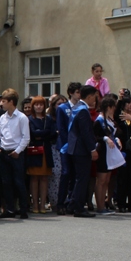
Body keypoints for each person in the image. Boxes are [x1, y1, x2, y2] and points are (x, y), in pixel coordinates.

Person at [0, 88, 31, 219]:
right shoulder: (2, 117)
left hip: (16, 153)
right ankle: (9, 209)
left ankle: (23, 208)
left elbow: (25, 137)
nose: (1, 104)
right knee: (6, 182)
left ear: (11, 102)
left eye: (4, 101)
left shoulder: (21, 118)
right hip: (4, 152)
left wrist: (18, 151)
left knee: (19, 182)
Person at [66, 85, 99, 218]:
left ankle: (72, 205)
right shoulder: (83, 111)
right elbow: (85, 133)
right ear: (90, 96)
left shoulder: (76, 108)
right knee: (82, 179)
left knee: (77, 178)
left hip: (74, 148)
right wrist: (93, 149)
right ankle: (79, 208)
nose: (95, 100)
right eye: (94, 97)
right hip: (81, 150)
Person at [54, 82, 82, 214]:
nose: (79, 95)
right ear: (71, 93)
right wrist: (69, 143)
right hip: (66, 146)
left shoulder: (82, 107)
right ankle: (60, 202)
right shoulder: (62, 108)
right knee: (65, 173)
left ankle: (71, 201)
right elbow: (61, 128)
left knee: (75, 174)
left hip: (78, 147)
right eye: (77, 92)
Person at [27, 96, 57, 213]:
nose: (39, 107)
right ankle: (35, 204)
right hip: (34, 150)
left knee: (44, 178)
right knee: (34, 178)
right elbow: (33, 133)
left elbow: (53, 133)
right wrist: (43, 134)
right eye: (36, 104)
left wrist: (41, 134)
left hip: (46, 149)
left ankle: (43, 204)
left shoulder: (48, 119)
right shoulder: (29, 119)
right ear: (33, 106)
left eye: (41, 104)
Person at [92, 96, 120, 214]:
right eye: (113, 107)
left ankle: (103, 205)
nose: (114, 109)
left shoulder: (110, 120)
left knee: (107, 179)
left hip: (110, 152)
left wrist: (117, 138)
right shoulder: (99, 120)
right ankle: (100, 206)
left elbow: (115, 132)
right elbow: (94, 136)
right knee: (101, 180)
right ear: (108, 107)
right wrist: (105, 138)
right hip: (103, 152)